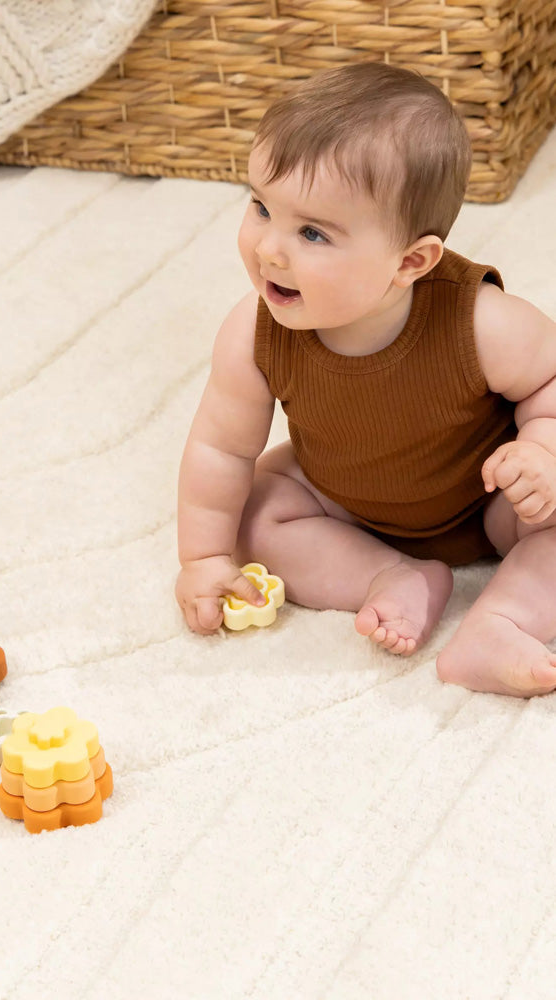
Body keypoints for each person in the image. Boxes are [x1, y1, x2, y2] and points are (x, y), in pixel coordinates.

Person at [175, 62, 556, 697]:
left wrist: (542, 450)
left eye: (312, 232)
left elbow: (550, 380)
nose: (269, 249)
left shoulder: (482, 322)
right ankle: (392, 576)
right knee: (252, 510)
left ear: (411, 261)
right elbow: (220, 449)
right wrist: (205, 558)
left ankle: (500, 624)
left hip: (489, 502)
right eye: (262, 207)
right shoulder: (253, 332)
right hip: (343, 497)